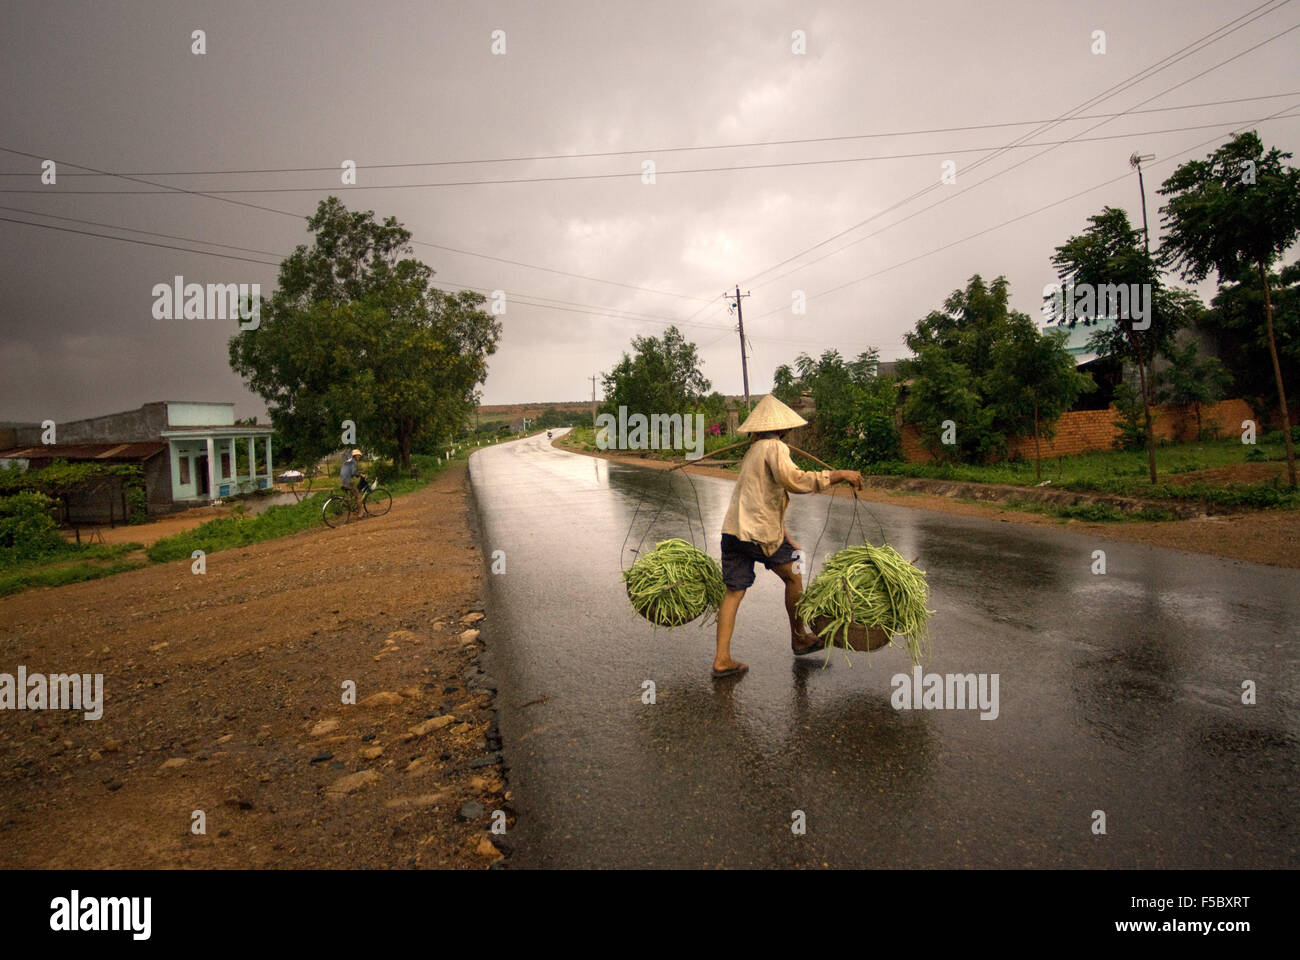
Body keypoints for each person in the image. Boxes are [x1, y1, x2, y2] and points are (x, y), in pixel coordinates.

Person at [712, 395, 863, 680]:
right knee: (795, 574)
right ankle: (800, 638)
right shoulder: (774, 447)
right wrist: (837, 475)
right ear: (784, 429)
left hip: (734, 531)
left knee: (734, 592)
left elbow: (762, 498)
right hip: (756, 533)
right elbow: (794, 480)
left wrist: (785, 536)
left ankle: (722, 659)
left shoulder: (755, 450)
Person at [339, 449, 368, 514]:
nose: (359, 457)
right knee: (358, 496)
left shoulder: (348, 461)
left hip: (342, 480)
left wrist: (358, 473)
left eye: (360, 456)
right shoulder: (353, 462)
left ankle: (344, 504)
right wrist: (361, 475)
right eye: (358, 456)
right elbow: (353, 472)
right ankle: (361, 514)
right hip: (348, 481)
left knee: (352, 494)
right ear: (355, 456)